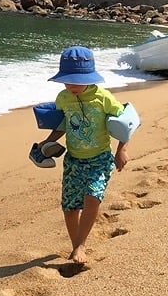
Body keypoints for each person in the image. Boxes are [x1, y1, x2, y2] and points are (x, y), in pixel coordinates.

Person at [34, 46, 129, 266]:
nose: (72, 85)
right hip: (74, 160)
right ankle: (76, 242)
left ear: (90, 77)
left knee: (92, 198)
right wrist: (48, 142)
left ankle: (80, 245)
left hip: (100, 159)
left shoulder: (103, 98)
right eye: (68, 81)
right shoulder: (63, 98)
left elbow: (128, 123)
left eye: (77, 80)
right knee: (69, 207)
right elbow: (62, 124)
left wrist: (121, 149)